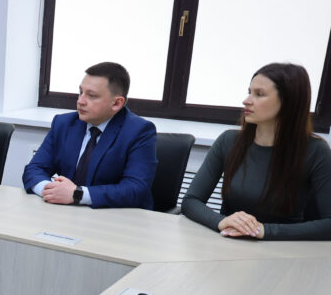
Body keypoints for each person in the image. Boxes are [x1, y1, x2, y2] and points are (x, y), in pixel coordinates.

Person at [182, 63, 331, 240]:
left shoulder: (316, 151)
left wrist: (264, 230)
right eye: (249, 92)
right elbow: (190, 201)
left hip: (283, 247)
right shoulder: (229, 140)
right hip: (229, 241)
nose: (246, 100)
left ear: (288, 102)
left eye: (259, 94)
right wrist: (221, 221)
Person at [22, 62, 157, 209]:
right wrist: (50, 191)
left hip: (114, 216)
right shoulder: (64, 123)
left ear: (116, 103)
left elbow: (135, 189)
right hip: (65, 212)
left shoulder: (139, 131)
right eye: (81, 92)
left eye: (91, 96)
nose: (80, 101)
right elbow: (34, 169)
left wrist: (78, 194)